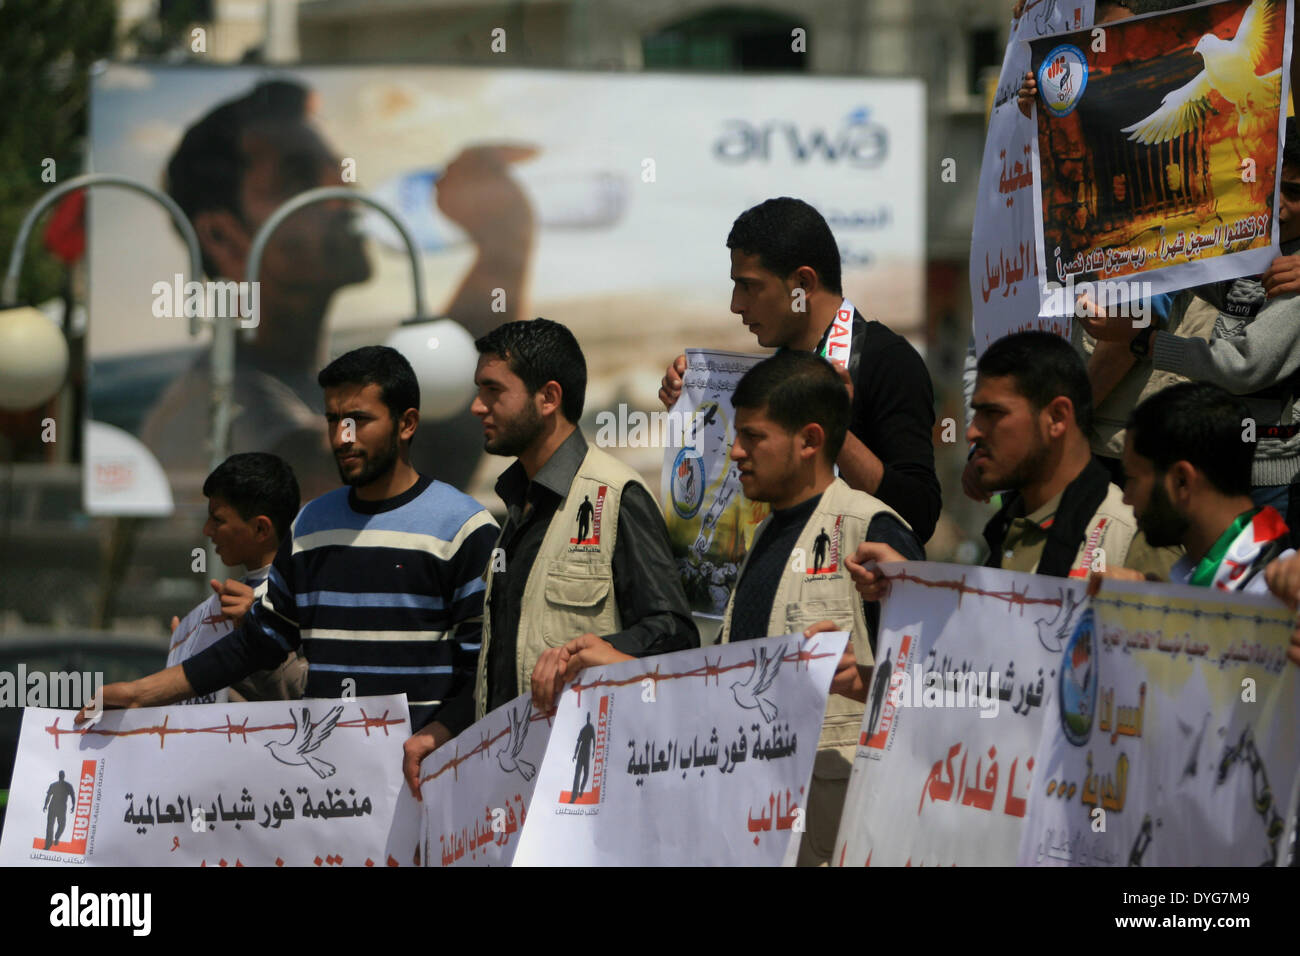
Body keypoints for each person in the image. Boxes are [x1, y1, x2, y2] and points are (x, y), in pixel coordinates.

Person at [532, 351, 924, 865]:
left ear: (809, 440)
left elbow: (932, 693)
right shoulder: (763, 537)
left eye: (754, 437)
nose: (735, 452)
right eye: (736, 435)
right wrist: (625, 669)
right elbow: (726, 690)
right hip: (756, 833)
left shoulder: (871, 531)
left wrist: (861, 680)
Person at [140, 79, 537, 501]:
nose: (344, 190)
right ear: (223, 237)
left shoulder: (303, 382)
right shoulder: (219, 409)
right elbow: (387, 490)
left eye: (337, 170)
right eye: (299, 178)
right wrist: (502, 248)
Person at [78, 346, 499, 733]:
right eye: (334, 420)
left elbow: (485, 669)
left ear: (406, 423)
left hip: (426, 786)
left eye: (358, 420)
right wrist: (138, 693)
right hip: (328, 789)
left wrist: (434, 740)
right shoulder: (310, 525)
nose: (341, 438)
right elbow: (256, 644)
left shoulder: (464, 528)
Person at [401, 319, 698, 794]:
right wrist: (442, 730)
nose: (478, 406)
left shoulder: (616, 495)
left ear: (549, 398)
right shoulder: (518, 505)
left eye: (493, 391)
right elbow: (501, 666)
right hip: (509, 788)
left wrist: (589, 655)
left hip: (582, 788)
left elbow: (675, 634)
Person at [657, 197, 942, 543]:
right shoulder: (773, 373)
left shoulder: (888, 361)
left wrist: (832, 425)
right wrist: (694, 400)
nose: (736, 305)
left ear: (802, 285)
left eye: (749, 286)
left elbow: (918, 516)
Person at [1082, 120, 1300, 522]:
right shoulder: (1262, 251)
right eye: (1272, 186)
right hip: (1223, 467)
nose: (1280, 203)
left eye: (1295, 192)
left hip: (1269, 482)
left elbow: (1242, 367)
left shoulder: (1294, 274)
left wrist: (1143, 341)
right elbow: (1203, 280)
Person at [854, 332, 1179, 593]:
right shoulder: (1009, 533)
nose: (972, 432)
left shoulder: (1131, 536)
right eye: (976, 413)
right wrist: (909, 587)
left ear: (1056, 417)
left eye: (993, 414)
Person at [1088, 382, 1293, 595]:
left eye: (1132, 479)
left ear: (1182, 480)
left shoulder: (1280, 595)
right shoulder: (1191, 575)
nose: (1126, 499)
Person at [166, 452, 307, 704]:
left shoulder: (305, 598)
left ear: (260, 528)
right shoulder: (231, 600)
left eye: (218, 520)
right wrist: (189, 651)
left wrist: (258, 631)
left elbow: (311, 696)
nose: (207, 531)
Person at [43, 771, 75, 850]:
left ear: (63, 776)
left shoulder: (68, 786)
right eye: (60, 775)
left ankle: (56, 837)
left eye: (62, 775)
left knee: (61, 825)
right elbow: (48, 796)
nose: (61, 776)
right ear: (60, 776)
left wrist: (73, 805)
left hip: (61, 807)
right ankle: (48, 844)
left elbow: (72, 796)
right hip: (53, 807)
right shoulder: (53, 785)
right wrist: (45, 805)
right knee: (50, 826)